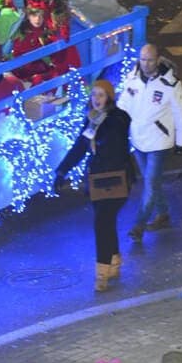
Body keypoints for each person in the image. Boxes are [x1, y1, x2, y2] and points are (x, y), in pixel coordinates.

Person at [54, 79, 132, 292]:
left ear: (109, 97)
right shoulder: (92, 120)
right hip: (98, 180)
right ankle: (114, 261)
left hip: (117, 179)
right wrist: (62, 170)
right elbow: (79, 147)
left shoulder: (118, 118)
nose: (96, 99)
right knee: (106, 222)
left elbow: (116, 141)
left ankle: (102, 273)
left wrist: (99, 125)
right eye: (94, 95)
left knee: (102, 223)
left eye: (101, 95)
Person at [118, 44, 182, 241]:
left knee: (150, 183)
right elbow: (123, 104)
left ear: (158, 59)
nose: (145, 64)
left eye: (149, 60)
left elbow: (181, 113)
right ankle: (163, 215)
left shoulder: (171, 84)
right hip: (139, 140)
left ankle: (139, 224)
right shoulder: (132, 79)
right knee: (153, 182)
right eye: (143, 59)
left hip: (159, 142)